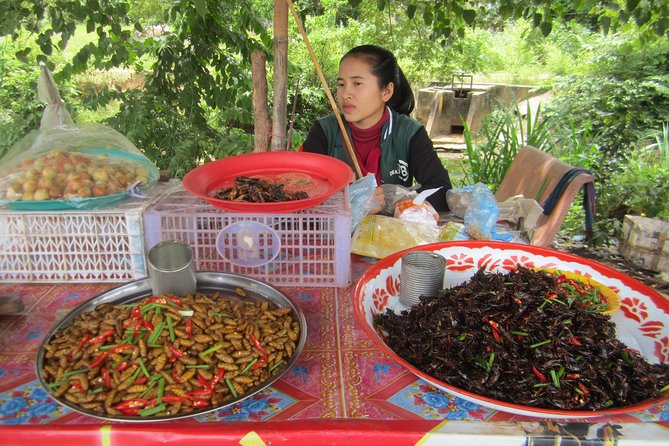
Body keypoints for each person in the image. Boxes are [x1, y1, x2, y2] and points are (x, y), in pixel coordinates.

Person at [301, 44, 453, 212]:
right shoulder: (324, 131)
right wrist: (349, 202)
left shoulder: (409, 133)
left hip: (390, 235)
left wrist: (394, 202)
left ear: (386, 91)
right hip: (334, 235)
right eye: (341, 84)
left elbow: (442, 190)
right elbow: (302, 194)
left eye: (357, 83)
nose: (345, 94)